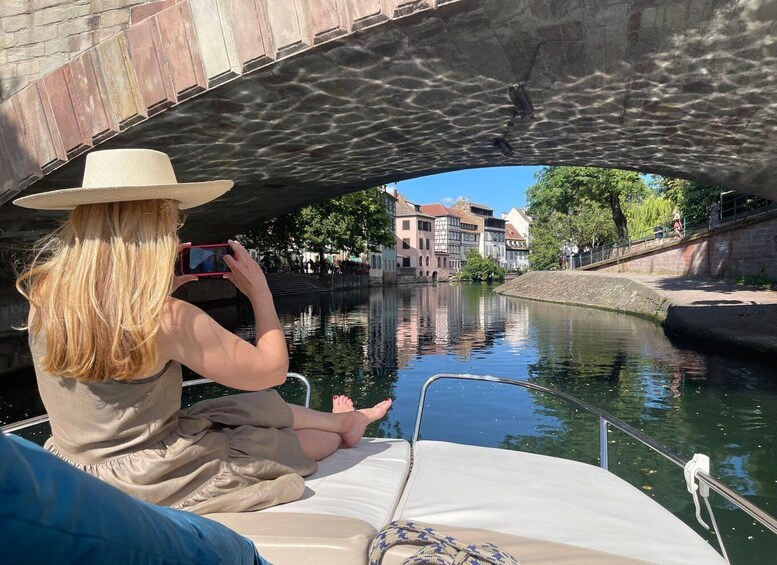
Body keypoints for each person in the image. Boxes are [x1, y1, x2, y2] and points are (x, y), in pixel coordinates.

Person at [14, 148, 392, 515]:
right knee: (281, 443)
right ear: (156, 227)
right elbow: (272, 370)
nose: (176, 229)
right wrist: (260, 292)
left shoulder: (43, 295)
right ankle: (345, 427)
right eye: (173, 218)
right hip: (148, 478)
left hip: (70, 469)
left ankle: (345, 420)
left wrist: (157, 288)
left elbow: (109, 328)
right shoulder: (166, 318)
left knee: (239, 409)